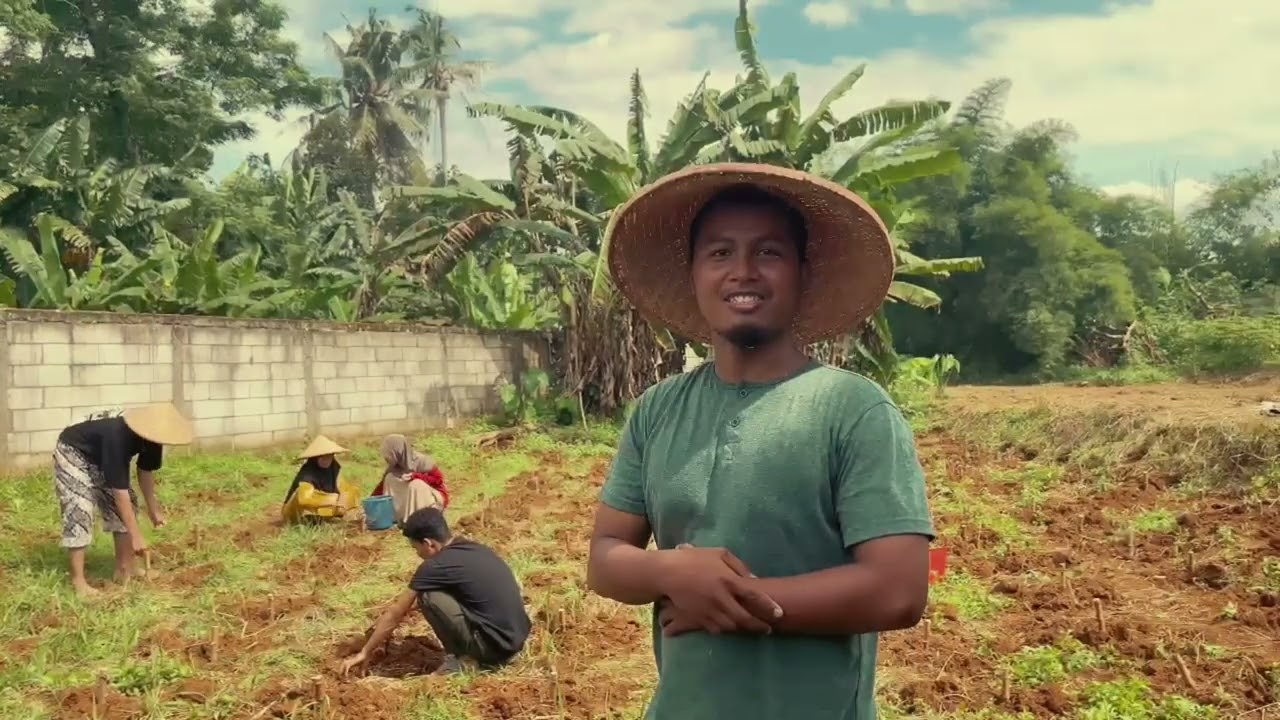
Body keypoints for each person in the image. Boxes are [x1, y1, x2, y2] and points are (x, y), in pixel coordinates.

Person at [585, 163, 936, 719]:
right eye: (720, 253)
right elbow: (604, 559)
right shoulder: (657, 411)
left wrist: (729, 602)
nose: (743, 271)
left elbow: (898, 590)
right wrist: (674, 572)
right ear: (694, 273)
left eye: (768, 253)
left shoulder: (853, 409)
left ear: (802, 271)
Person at [339, 507, 530, 677]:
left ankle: (461, 660)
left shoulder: (434, 566)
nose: (417, 554)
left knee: (428, 596)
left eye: (416, 548)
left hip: (495, 650)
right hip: (516, 641)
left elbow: (396, 612)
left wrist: (365, 651)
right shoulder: (474, 549)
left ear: (429, 543)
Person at [52, 402, 194, 596]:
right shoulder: (118, 435)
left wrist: (154, 510)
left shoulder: (153, 438)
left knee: (130, 504)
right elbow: (119, 493)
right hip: (73, 450)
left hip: (101, 454)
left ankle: (124, 569)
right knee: (80, 508)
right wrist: (136, 536)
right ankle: (79, 582)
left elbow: (145, 472)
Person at [370, 434, 449, 525]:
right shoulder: (394, 467)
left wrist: (416, 476)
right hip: (411, 499)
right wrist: (372, 504)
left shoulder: (422, 461)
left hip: (433, 498)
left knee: (416, 484)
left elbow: (438, 480)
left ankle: (417, 519)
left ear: (398, 452)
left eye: (389, 454)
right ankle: (397, 516)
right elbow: (381, 487)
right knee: (390, 478)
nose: (387, 458)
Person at [281, 435, 359, 525]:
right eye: (322, 457)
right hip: (298, 510)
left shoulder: (334, 468)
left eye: (329, 456)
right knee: (308, 499)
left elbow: (342, 486)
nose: (327, 460)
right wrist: (331, 500)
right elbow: (303, 500)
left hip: (325, 505)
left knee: (352, 490)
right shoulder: (307, 474)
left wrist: (342, 500)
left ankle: (331, 515)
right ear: (315, 458)